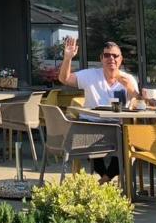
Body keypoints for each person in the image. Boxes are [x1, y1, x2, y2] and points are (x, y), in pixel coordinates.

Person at [58, 38, 138, 183]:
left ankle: (104, 181)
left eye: (115, 56)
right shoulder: (91, 75)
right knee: (94, 147)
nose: (111, 59)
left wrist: (131, 90)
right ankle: (105, 179)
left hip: (116, 127)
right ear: (101, 59)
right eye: (107, 55)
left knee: (129, 144)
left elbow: (136, 103)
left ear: (121, 59)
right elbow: (65, 79)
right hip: (91, 124)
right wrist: (68, 58)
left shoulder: (128, 79)